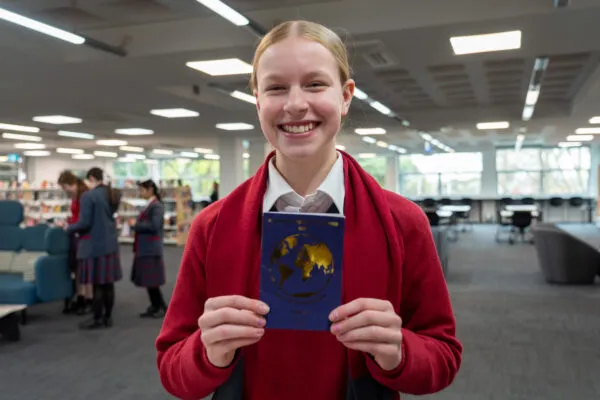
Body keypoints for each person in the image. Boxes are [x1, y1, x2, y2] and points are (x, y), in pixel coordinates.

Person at [156, 20, 462, 400]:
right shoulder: (212, 226)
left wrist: (398, 351)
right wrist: (208, 353)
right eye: (276, 88)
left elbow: (443, 357)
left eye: (315, 84)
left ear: (346, 97)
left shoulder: (402, 223)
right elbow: (172, 369)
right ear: (258, 101)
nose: (295, 104)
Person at [66, 167, 122, 329]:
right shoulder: (113, 193)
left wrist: (68, 228)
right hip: (110, 244)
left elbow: (84, 223)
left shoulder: (88, 196)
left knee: (97, 284)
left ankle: (97, 318)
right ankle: (107, 318)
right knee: (108, 284)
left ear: (91, 178)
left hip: (93, 245)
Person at [57, 170, 94, 315]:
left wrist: (70, 226)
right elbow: (76, 215)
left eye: (65, 187)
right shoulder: (75, 195)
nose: (64, 190)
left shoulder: (84, 196)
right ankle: (81, 297)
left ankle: (89, 299)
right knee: (77, 269)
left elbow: (84, 220)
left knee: (85, 269)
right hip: (75, 234)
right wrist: (68, 222)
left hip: (84, 236)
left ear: (71, 183)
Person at [131, 179, 168, 318]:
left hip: (151, 248)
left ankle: (160, 306)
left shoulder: (156, 206)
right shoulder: (150, 205)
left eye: (142, 190)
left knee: (152, 280)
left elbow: (154, 225)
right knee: (149, 280)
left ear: (150, 190)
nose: (140, 193)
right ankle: (156, 305)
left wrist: (136, 225)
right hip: (146, 247)